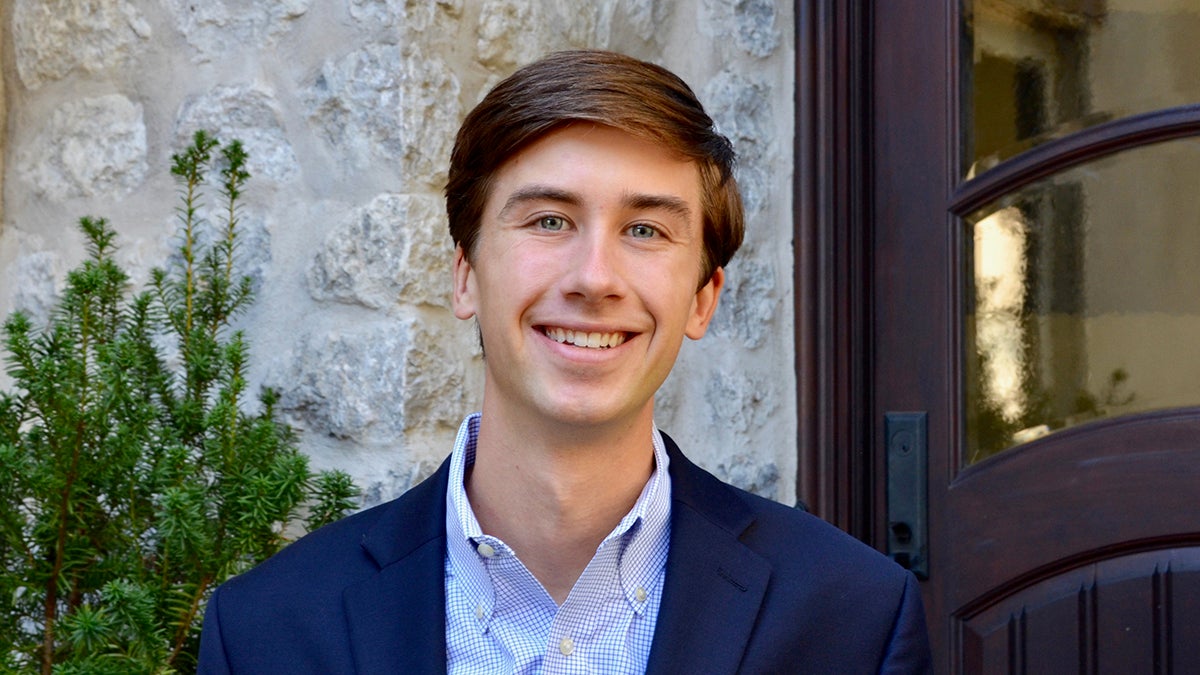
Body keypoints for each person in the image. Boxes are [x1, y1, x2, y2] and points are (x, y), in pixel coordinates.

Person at [198, 49, 931, 674]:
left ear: (704, 298)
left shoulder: (854, 620)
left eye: (645, 229)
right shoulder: (269, 631)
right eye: (550, 219)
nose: (594, 277)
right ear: (464, 274)